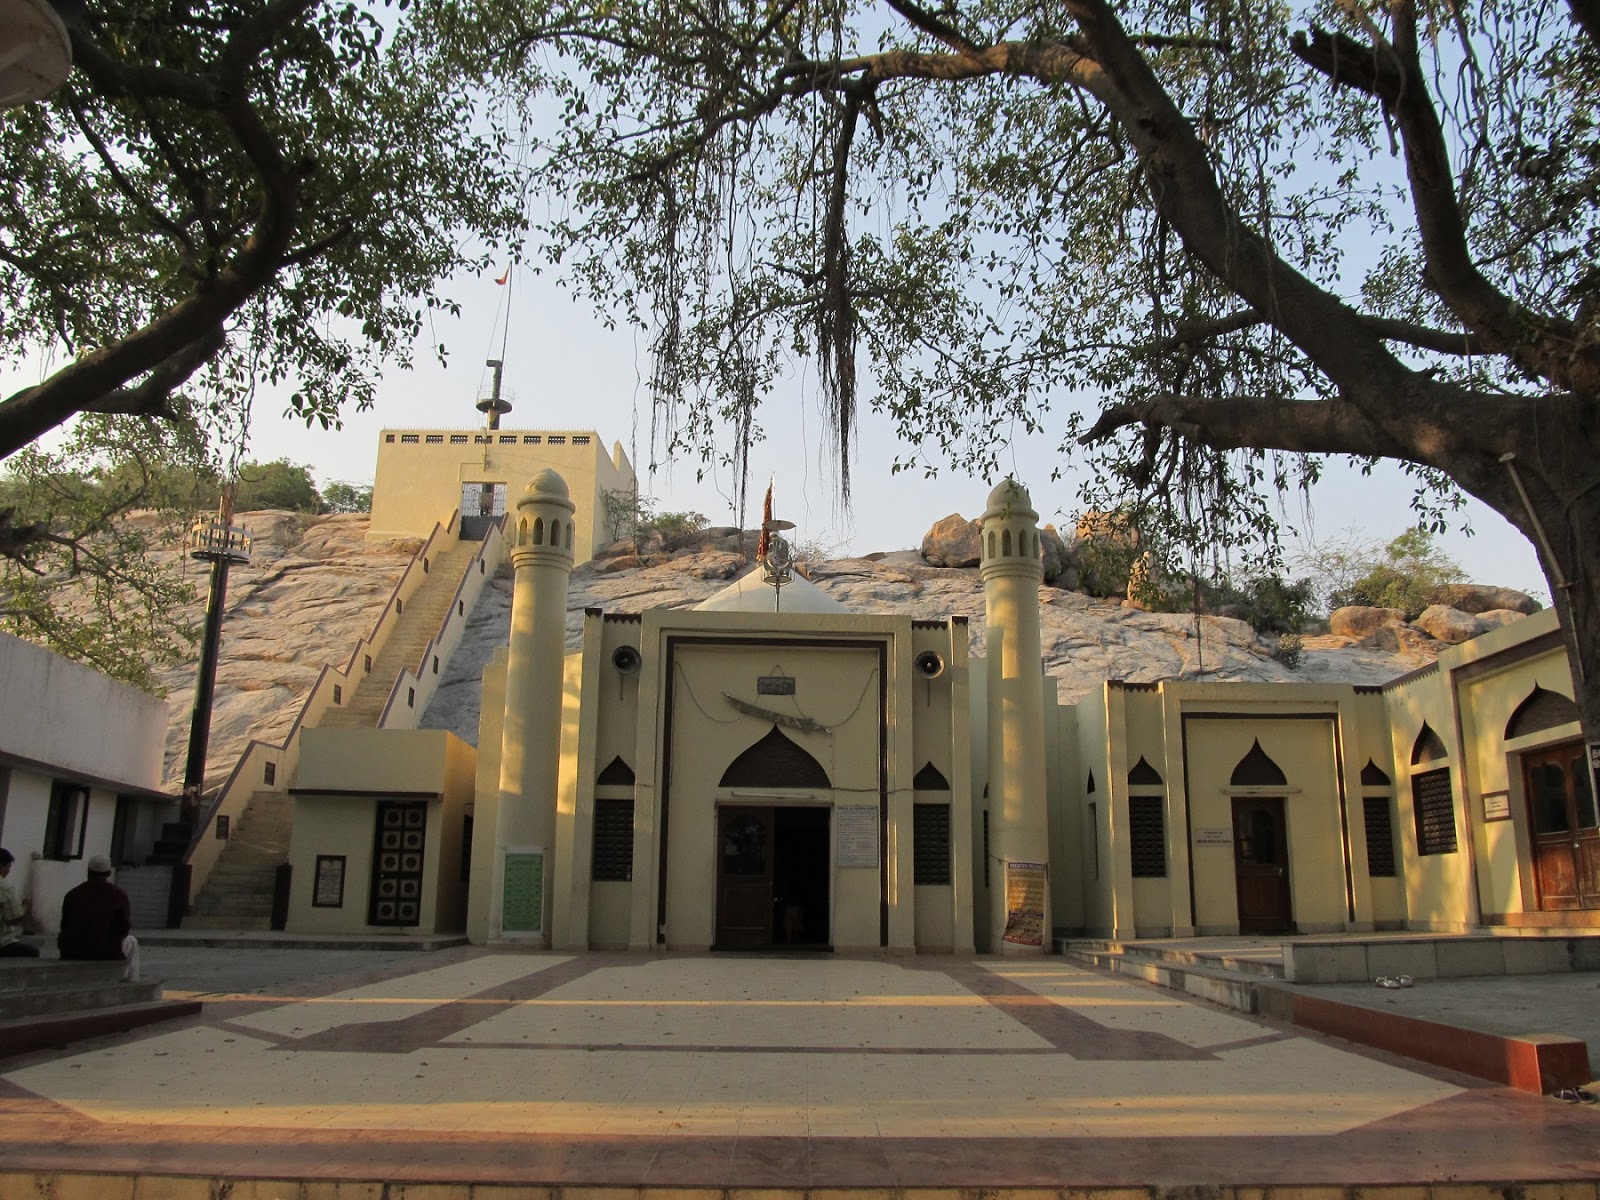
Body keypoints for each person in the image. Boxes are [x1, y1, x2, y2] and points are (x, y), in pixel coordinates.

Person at [57, 854, 139, 981]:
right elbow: (124, 928)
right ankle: (131, 982)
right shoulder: (118, 895)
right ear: (108, 873)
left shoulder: (72, 894)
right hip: (105, 951)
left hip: (72, 950)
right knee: (132, 941)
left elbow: (65, 925)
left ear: (88, 872)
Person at [0, 848, 40, 957]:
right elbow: (13, 919)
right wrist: (25, 906)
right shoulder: (4, 886)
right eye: (8, 867)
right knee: (33, 952)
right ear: (2, 865)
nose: (9, 871)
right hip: (2, 943)